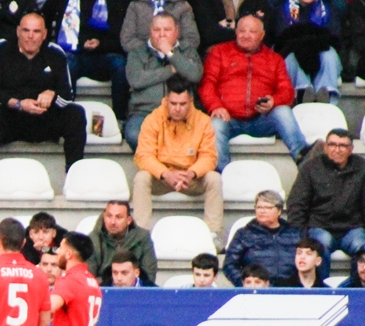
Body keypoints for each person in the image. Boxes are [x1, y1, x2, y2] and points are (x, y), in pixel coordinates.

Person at [0, 12, 84, 184]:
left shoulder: (55, 53)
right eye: (26, 30)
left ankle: (74, 177)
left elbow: (68, 96)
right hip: (12, 118)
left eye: (36, 32)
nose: (30, 36)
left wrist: (52, 94)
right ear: (18, 31)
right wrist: (18, 104)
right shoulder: (1, 49)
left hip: (44, 119)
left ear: (44, 34)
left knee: (76, 113)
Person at [201, 15, 307, 170]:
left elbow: (287, 91)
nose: (246, 35)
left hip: (261, 120)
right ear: (236, 32)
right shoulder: (219, 52)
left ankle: (304, 160)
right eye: (242, 31)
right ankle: (222, 176)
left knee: (283, 111)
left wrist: (273, 101)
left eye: (252, 31)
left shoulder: (274, 59)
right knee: (215, 123)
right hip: (229, 119)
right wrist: (216, 106)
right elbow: (207, 85)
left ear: (262, 35)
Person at [131, 79, 223, 237]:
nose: (178, 109)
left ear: (191, 102)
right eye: (173, 104)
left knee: (214, 178)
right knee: (141, 178)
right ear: (166, 101)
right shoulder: (153, 119)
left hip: (190, 178)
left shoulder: (203, 121)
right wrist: (165, 173)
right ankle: (141, 234)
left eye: (182, 104)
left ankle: (213, 234)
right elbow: (143, 156)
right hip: (162, 178)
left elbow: (209, 156)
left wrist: (192, 173)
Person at [43, 0, 125, 120]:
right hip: (73, 53)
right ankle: (64, 118)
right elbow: (42, 20)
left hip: (102, 56)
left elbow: (120, 39)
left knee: (120, 64)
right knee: (67, 62)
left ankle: (119, 118)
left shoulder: (114, 1)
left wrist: (100, 44)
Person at [288, 128, 365, 271]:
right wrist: (302, 238)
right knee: (319, 246)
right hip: (320, 227)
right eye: (332, 145)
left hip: (353, 228)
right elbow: (297, 205)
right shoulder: (310, 168)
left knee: (363, 249)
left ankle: (357, 291)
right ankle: (320, 290)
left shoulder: (364, 167)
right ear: (325, 147)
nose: (337, 150)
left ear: (351, 149)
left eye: (343, 146)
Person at [124, 12, 203, 148]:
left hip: (182, 112)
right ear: (150, 31)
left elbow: (195, 74)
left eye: (167, 30)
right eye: (156, 30)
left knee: (198, 135)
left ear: (176, 32)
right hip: (144, 111)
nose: (161, 34)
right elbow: (136, 80)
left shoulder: (188, 51)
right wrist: (171, 70)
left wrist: (170, 54)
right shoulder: (137, 52)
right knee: (133, 134)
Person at [275, 0, 342, 104]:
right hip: (293, 55)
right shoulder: (282, 10)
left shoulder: (328, 10)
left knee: (329, 54)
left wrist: (310, 44)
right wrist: (310, 42)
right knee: (292, 55)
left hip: (320, 55)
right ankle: (303, 94)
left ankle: (325, 95)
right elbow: (282, 39)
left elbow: (335, 38)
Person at [223, 189, 300, 285]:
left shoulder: (294, 234)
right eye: (259, 207)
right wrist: (246, 284)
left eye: (268, 208)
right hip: (255, 291)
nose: (262, 211)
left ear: (279, 211)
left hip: (290, 291)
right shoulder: (244, 234)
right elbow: (229, 264)